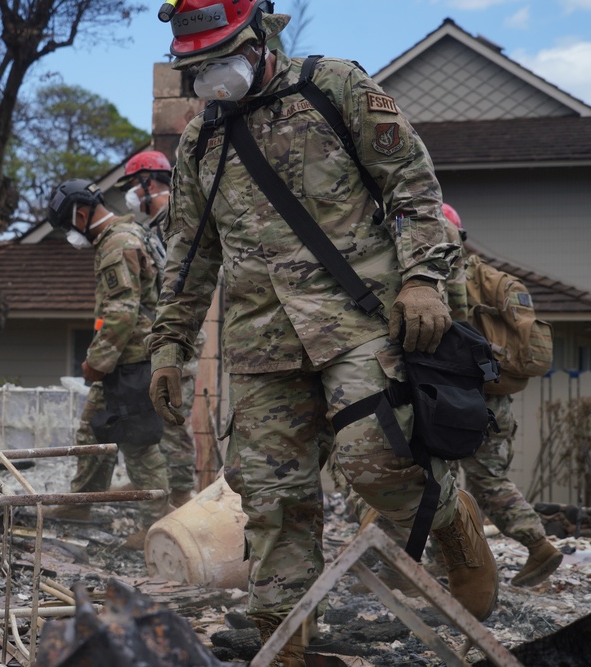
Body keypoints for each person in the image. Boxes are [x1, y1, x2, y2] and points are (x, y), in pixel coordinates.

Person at [146, 2, 498, 663]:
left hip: (357, 318)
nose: (212, 77)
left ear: (260, 38)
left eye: (220, 59)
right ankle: (287, 644)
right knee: (274, 498)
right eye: (198, 67)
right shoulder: (200, 144)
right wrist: (172, 345)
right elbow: (190, 257)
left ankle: (453, 516)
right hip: (260, 341)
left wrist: (423, 277)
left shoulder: (335, 88)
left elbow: (414, 188)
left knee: (375, 458)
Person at [44, 178, 170, 549]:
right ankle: (80, 504)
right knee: (93, 432)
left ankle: (158, 525)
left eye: (70, 227)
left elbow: (121, 310)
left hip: (129, 362)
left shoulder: (116, 244)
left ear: (81, 215)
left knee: (139, 443)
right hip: (124, 361)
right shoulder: (128, 232)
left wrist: (95, 362)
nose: (72, 235)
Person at [443, 203, 563, 587]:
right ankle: (536, 544)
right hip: (493, 403)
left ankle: (440, 559)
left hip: (450, 399)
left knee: (436, 481)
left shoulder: (440, 280)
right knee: (488, 479)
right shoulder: (495, 280)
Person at [118, 150, 205, 507]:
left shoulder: (177, 218)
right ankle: (169, 490)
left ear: (148, 183)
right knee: (159, 416)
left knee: (171, 419)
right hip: (165, 336)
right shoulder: (156, 227)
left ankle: (182, 496)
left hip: (180, 337)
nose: (131, 195)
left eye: (133, 187)